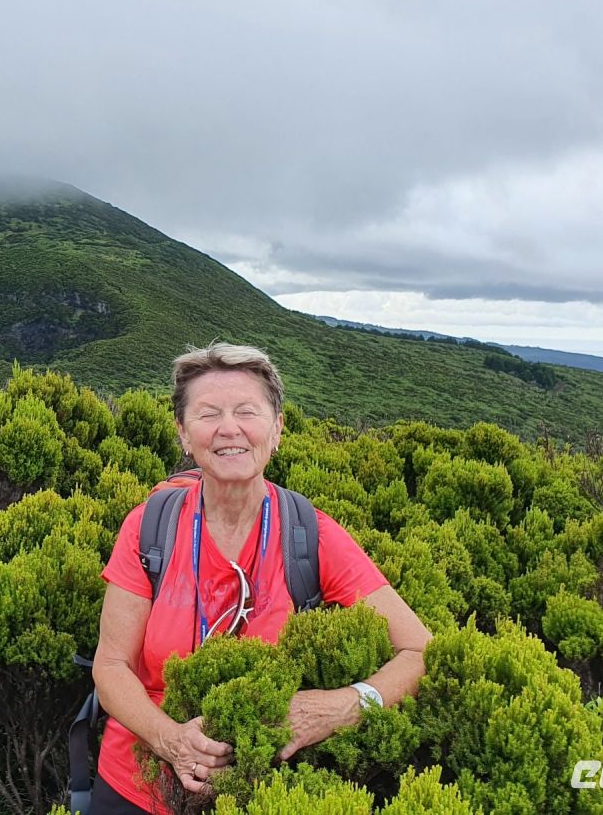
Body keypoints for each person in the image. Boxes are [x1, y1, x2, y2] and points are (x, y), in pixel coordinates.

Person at [90, 343, 433, 814]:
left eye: (247, 412)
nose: (229, 429)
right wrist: (170, 740)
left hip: (264, 793)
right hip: (135, 783)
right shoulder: (150, 528)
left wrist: (339, 707)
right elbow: (110, 668)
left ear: (276, 430)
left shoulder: (311, 536)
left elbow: (419, 651)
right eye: (208, 414)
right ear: (183, 435)